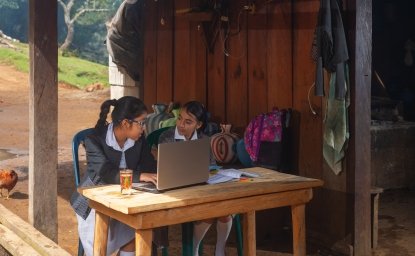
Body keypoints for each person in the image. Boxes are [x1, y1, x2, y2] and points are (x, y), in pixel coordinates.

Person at [70, 96, 157, 256]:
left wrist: (159, 172)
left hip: (125, 199)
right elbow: (107, 173)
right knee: (100, 246)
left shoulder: (138, 139)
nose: (143, 128)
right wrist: (140, 176)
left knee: (136, 232)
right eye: (141, 123)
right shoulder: (94, 140)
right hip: (94, 204)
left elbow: (149, 166)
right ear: (125, 123)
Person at [158, 101, 232, 256]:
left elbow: (211, 166)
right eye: (180, 118)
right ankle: (194, 248)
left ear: (198, 125)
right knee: (211, 212)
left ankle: (219, 251)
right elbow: (165, 169)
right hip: (175, 191)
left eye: (188, 121)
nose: (181, 124)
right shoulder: (167, 137)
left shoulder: (204, 140)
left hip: (201, 187)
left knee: (225, 210)